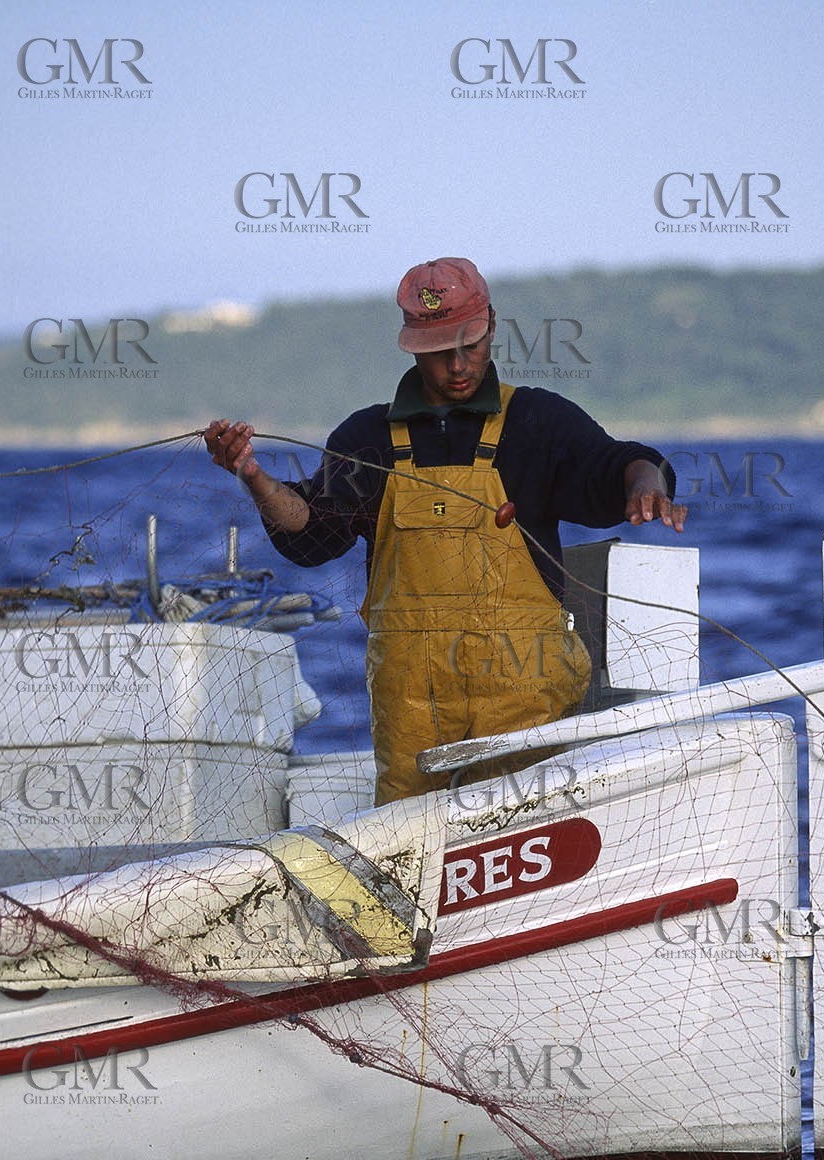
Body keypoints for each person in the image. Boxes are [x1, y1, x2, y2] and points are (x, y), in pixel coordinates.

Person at [205, 257, 681, 804]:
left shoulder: (538, 422)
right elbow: (311, 531)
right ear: (412, 347)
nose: (457, 366)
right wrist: (254, 477)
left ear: (492, 326)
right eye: (438, 352)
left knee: (528, 819)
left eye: (469, 346)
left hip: (526, 700)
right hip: (411, 712)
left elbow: (618, 464)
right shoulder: (367, 437)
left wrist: (646, 484)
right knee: (412, 840)